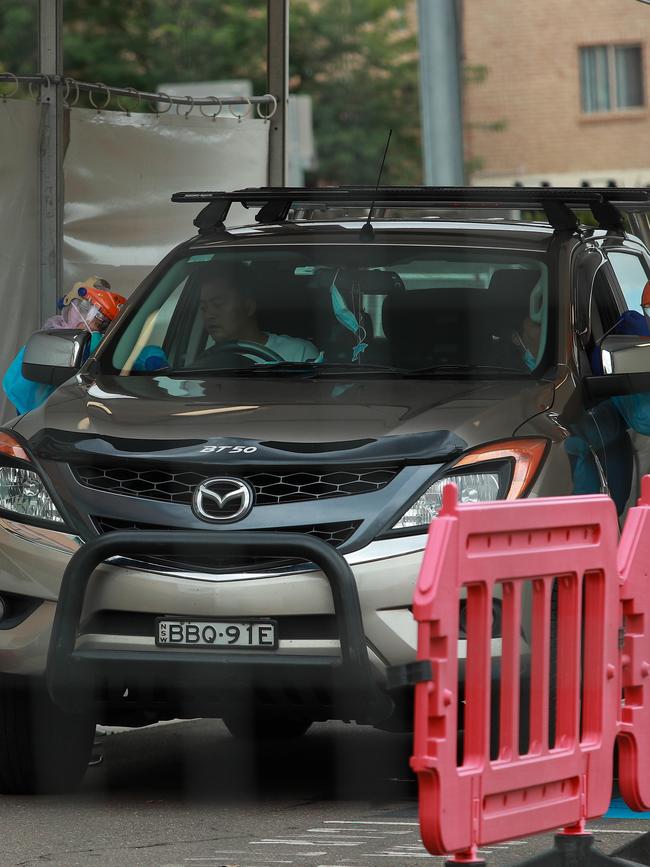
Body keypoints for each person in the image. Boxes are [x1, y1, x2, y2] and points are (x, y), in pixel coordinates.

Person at [2, 276, 126, 415]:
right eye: (98, 320)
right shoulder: (49, 342)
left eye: (104, 324)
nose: (96, 327)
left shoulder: (100, 341)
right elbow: (19, 388)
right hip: (46, 422)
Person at [196, 264, 319, 363]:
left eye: (218, 304)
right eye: (203, 308)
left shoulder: (299, 354)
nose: (208, 315)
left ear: (249, 307)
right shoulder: (205, 363)